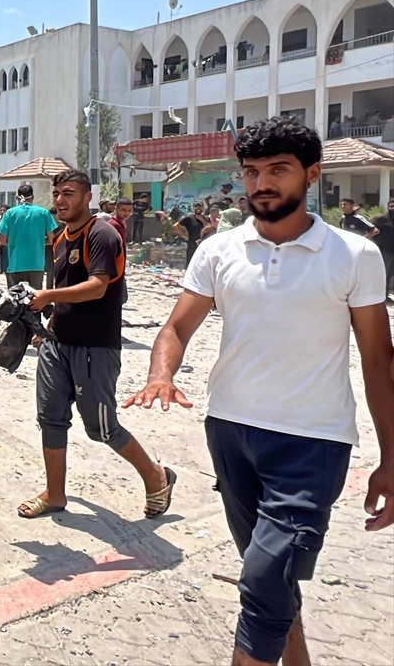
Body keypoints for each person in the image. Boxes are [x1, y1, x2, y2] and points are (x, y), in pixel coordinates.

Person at [125, 117, 393, 666]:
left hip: (312, 444)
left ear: (311, 175)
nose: (261, 183)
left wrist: (392, 456)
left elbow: (378, 362)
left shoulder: (355, 256)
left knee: (264, 583)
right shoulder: (218, 251)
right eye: (251, 172)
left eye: (277, 170)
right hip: (230, 433)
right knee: (273, 585)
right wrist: (161, 373)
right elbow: (176, 327)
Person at [19, 169, 174, 521]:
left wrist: (47, 296)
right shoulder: (60, 238)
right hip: (57, 344)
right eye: (57, 194)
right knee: (51, 420)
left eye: (69, 193)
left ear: (88, 197)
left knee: (102, 427)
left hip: (94, 347)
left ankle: (157, 476)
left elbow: (97, 286)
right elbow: (61, 292)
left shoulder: (101, 234)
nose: (60, 200)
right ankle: (55, 495)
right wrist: (42, 325)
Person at [0, 184, 58, 291]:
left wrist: (14, 241)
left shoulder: (10, 213)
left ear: (17, 197)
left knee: (15, 299)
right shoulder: (43, 213)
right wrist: (40, 242)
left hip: (16, 264)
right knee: (34, 299)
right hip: (36, 264)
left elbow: (2, 239)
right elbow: (52, 239)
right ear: (32, 197)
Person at [372, 198, 394, 300]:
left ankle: (385, 295)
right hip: (385, 251)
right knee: (383, 273)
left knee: (390, 274)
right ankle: (380, 296)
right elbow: (373, 232)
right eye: (391, 206)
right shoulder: (381, 219)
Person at [177, 203, 209, 267]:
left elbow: (210, 227)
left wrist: (202, 220)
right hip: (192, 244)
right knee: (190, 262)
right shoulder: (189, 218)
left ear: (203, 208)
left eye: (200, 206)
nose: (198, 208)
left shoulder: (206, 218)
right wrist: (184, 236)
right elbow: (176, 226)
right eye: (196, 206)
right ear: (193, 208)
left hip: (203, 243)